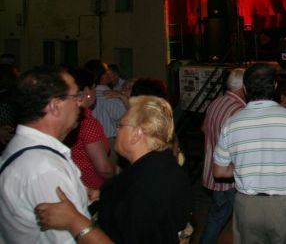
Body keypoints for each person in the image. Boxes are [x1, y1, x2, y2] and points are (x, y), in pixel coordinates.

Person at [36, 95, 194, 244]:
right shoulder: (158, 168)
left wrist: (74, 221)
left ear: (136, 134)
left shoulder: (145, 186)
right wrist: (102, 195)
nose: (116, 130)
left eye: (120, 125)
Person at [213, 62, 286, 244]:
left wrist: (240, 170)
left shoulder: (231, 123)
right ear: (275, 86)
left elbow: (219, 172)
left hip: (247, 206)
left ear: (245, 89)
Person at [0, 66, 90, 244]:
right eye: (76, 97)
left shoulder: (25, 149)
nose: (80, 103)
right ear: (55, 106)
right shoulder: (44, 168)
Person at [200, 68, 246, 244]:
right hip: (231, 177)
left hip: (214, 172)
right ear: (244, 87)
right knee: (245, 223)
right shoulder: (238, 110)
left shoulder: (216, 103)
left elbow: (204, 128)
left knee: (217, 216)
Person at [66, 68, 116, 192]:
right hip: (91, 188)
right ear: (87, 91)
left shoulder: (67, 117)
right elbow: (104, 168)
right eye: (94, 88)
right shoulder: (87, 122)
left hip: (73, 184)